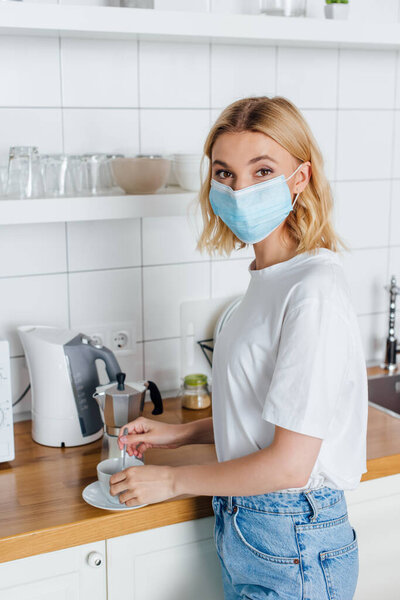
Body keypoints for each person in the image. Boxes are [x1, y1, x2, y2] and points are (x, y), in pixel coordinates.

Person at [110, 96, 368, 600]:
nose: (239, 189)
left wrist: (170, 483)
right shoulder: (267, 279)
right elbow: (272, 417)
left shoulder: (312, 289)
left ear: (300, 178)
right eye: (224, 173)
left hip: (292, 537)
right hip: (256, 527)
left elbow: (291, 464)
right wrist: (180, 435)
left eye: (263, 170)